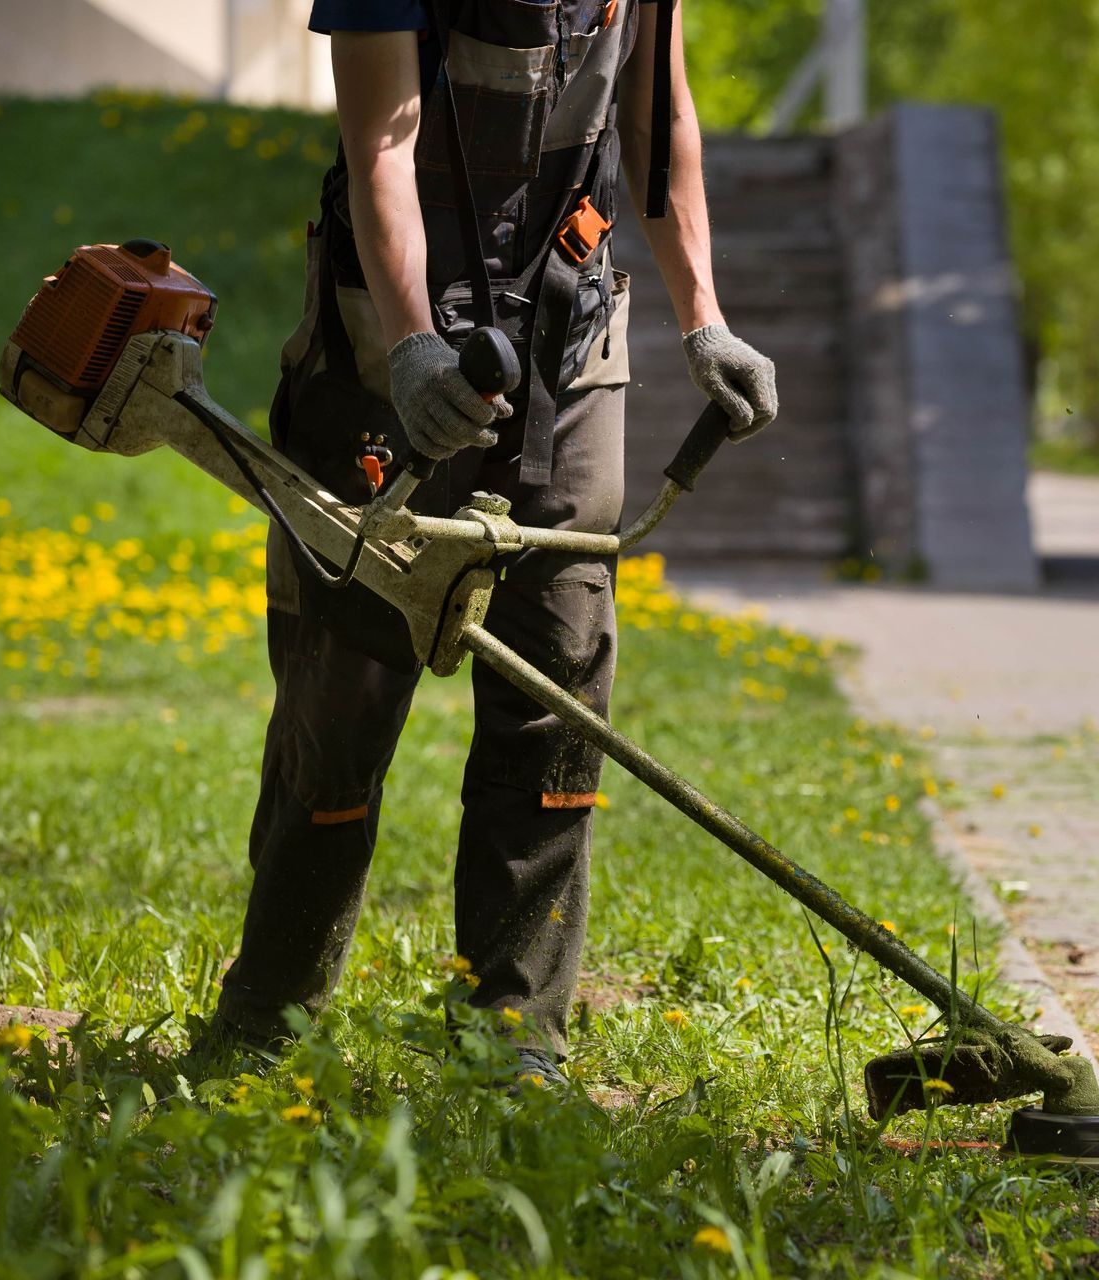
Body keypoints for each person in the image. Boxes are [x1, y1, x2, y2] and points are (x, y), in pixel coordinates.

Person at [204, 0, 779, 1086]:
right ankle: (267, 1019)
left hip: (573, 338)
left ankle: (517, 1038)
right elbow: (381, 138)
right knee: (343, 694)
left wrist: (704, 315)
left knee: (559, 687)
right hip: (388, 341)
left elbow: (658, 118)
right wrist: (417, 345)